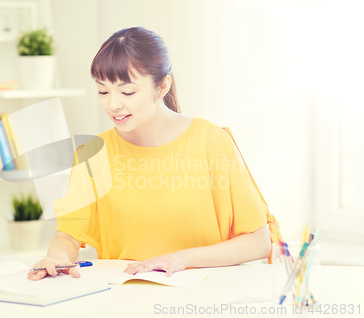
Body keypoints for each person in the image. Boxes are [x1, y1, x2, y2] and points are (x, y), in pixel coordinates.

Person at [28, 26, 283, 281]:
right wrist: (59, 258)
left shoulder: (211, 141)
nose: (112, 104)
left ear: (162, 86)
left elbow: (258, 241)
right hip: (124, 297)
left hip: (204, 295)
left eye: (127, 92)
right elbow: (69, 233)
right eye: (103, 91)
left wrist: (181, 259)